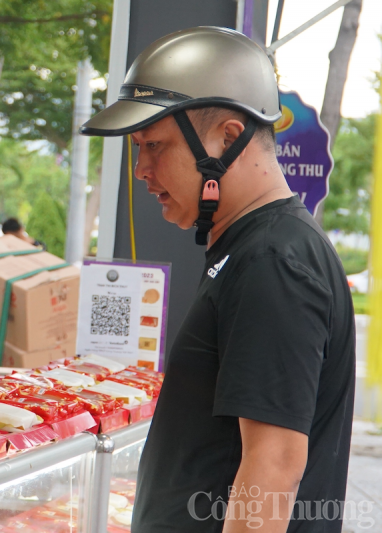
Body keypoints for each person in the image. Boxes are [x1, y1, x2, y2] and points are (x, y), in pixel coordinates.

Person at [80, 27, 353, 532]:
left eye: (155, 145)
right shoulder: (257, 248)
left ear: (227, 138)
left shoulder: (272, 260)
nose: (141, 169)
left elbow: (272, 467)